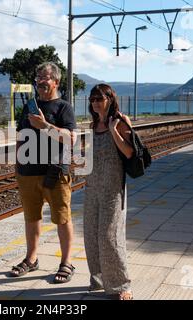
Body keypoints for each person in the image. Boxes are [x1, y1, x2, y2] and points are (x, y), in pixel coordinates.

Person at [9, 62, 78, 284]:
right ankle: (31, 259)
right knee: (31, 217)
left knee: (62, 218)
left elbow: (70, 138)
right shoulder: (29, 106)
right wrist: (18, 165)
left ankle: (66, 262)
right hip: (28, 172)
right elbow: (21, 135)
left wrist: (44, 125)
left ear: (56, 81)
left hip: (55, 173)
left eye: (45, 77)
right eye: (38, 77)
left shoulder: (64, 108)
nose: (40, 81)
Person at [83, 83, 134, 300]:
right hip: (92, 186)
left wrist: (114, 131)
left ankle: (123, 285)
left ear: (110, 99)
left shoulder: (121, 122)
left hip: (113, 188)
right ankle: (100, 280)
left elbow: (130, 153)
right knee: (91, 236)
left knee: (109, 236)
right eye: (92, 99)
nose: (95, 103)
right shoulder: (93, 124)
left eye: (99, 98)